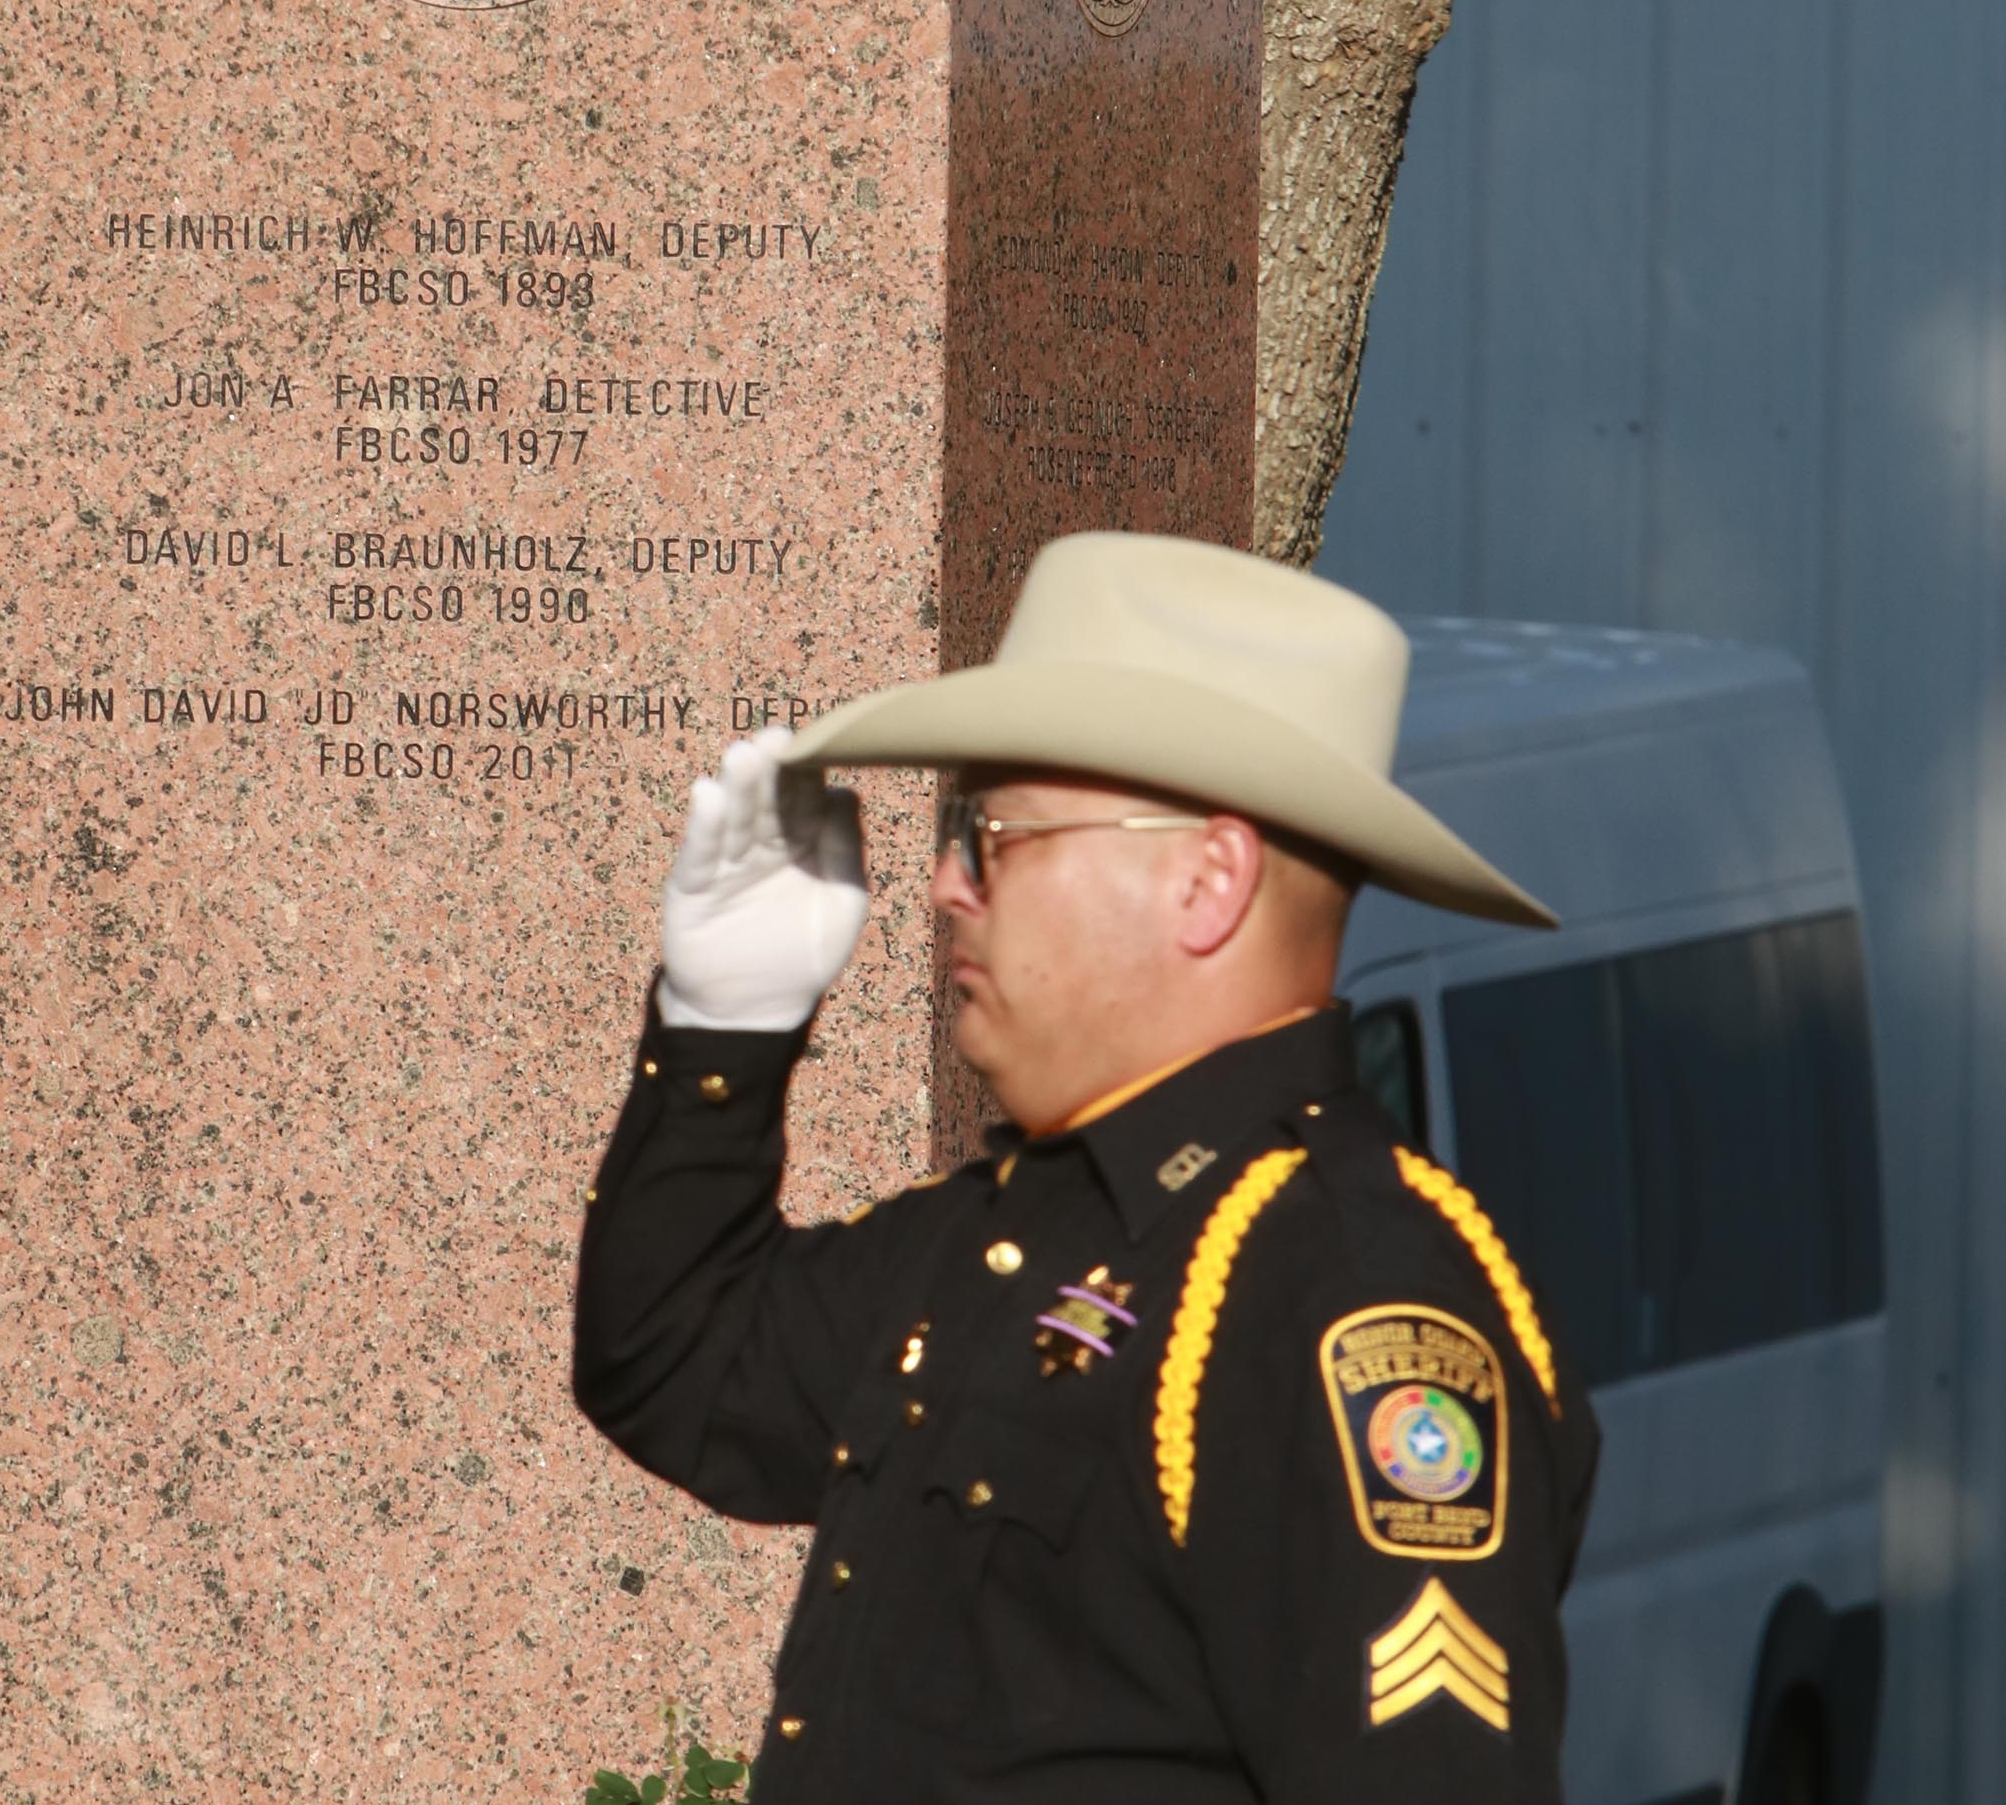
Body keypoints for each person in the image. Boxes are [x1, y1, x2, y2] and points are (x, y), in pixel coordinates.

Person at [573, 531, 1600, 1802]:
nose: (946, 884)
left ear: (1206, 879)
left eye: (993, 833)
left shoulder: (1343, 1284)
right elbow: (680, 1358)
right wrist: (720, 1028)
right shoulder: (1015, 1225)